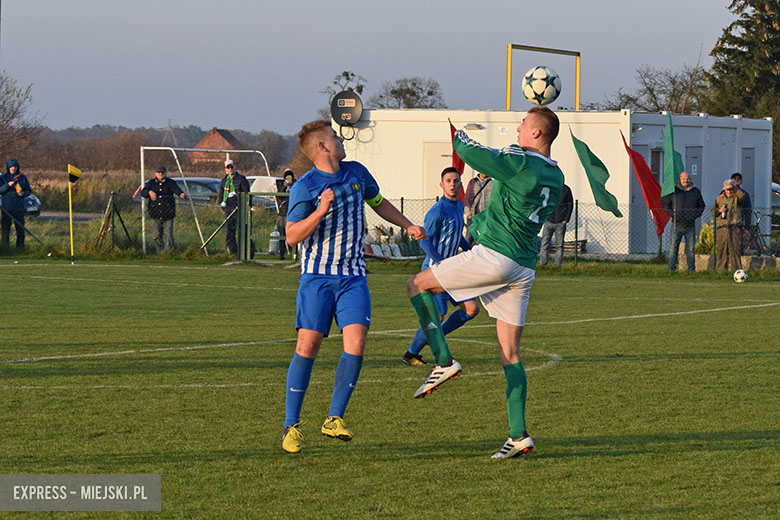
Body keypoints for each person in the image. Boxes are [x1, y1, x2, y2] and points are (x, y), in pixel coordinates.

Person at [406, 106, 563, 459]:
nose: (518, 128)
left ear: (537, 133)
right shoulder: (557, 175)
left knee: (417, 284)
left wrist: (459, 131)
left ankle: (443, 360)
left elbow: (468, 151)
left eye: (523, 124)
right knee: (510, 353)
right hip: (523, 266)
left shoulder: (521, 160)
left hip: (497, 256)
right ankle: (519, 435)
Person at [281, 120, 425, 454]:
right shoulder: (306, 186)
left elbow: (379, 202)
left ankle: (334, 418)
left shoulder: (357, 172)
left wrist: (408, 224)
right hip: (317, 279)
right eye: (334, 136)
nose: (340, 139)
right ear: (322, 147)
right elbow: (291, 235)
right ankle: (291, 425)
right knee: (308, 346)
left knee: (357, 344)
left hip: (354, 278)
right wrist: (320, 211)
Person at [401, 166, 479, 366]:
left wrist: (471, 250)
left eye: (455, 180)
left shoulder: (459, 207)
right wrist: (440, 262)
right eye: (448, 181)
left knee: (471, 309)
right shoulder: (437, 211)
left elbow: (456, 235)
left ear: (460, 184)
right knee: (438, 314)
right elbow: (424, 241)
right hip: (436, 270)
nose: (452, 184)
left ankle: (433, 337)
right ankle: (412, 354)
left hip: (452, 270)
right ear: (441, 185)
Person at [661, 171, 705, 271]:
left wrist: (694, 215)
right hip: (676, 224)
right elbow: (666, 204)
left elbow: (701, 206)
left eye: (687, 178)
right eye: (683, 178)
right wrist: (672, 214)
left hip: (690, 225)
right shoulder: (674, 191)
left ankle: (691, 269)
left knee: (690, 249)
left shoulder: (695, 191)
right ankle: (671, 269)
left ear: (690, 179)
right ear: (680, 179)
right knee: (673, 248)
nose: (686, 180)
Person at [141, 165, 187, 252]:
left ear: (165, 173)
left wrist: (181, 194)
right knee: (156, 235)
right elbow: (143, 192)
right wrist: (149, 192)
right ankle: (160, 252)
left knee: (168, 235)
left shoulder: (170, 183)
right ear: (155, 173)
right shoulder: (150, 183)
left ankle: (168, 252)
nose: (160, 174)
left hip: (168, 213)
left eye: (162, 172)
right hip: (155, 213)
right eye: (159, 172)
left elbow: (177, 190)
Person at [218, 159, 250, 255]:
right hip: (228, 207)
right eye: (228, 167)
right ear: (225, 169)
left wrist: (237, 194)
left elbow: (246, 192)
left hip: (240, 207)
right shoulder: (224, 181)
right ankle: (232, 252)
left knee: (243, 230)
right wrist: (222, 204)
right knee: (230, 231)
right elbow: (220, 194)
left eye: (231, 167)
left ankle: (246, 251)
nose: (230, 169)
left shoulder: (241, 179)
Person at [711, 178, 744, 271]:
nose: (729, 191)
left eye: (731, 189)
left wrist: (734, 188)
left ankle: (737, 271)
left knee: (735, 251)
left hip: (734, 228)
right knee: (721, 251)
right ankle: (721, 271)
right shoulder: (719, 198)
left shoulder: (737, 197)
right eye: (727, 189)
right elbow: (712, 211)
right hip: (722, 228)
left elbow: (742, 197)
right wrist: (719, 211)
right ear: (724, 189)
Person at [538, 183, 572, 268]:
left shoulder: (566, 189)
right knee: (544, 244)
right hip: (548, 221)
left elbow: (570, 205)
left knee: (559, 246)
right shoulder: (549, 188)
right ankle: (543, 265)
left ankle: (557, 266)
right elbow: (543, 202)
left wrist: (565, 220)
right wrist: (544, 217)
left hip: (560, 222)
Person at [0, 158, 32, 249]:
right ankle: (5, 248)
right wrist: (7, 185)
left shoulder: (22, 177)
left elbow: (28, 190)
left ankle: (20, 248)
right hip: (6, 207)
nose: (13, 168)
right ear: (8, 167)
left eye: (15, 166)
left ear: (18, 167)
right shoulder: (3, 177)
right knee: (5, 229)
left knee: (20, 229)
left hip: (19, 207)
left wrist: (23, 193)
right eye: (11, 167)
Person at [463, 171, 492, 244]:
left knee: (486, 239)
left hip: (486, 217)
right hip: (474, 216)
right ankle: (466, 253)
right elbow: (467, 199)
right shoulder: (473, 182)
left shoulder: (492, 182)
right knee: (469, 238)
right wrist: (469, 213)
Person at [276, 168, 295, 260]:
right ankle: (281, 254)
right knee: (281, 234)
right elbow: (279, 195)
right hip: (283, 213)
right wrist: (285, 185)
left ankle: (293, 253)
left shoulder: (296, 185)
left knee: (292, 234)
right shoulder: (281, 186)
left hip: (292, 213)